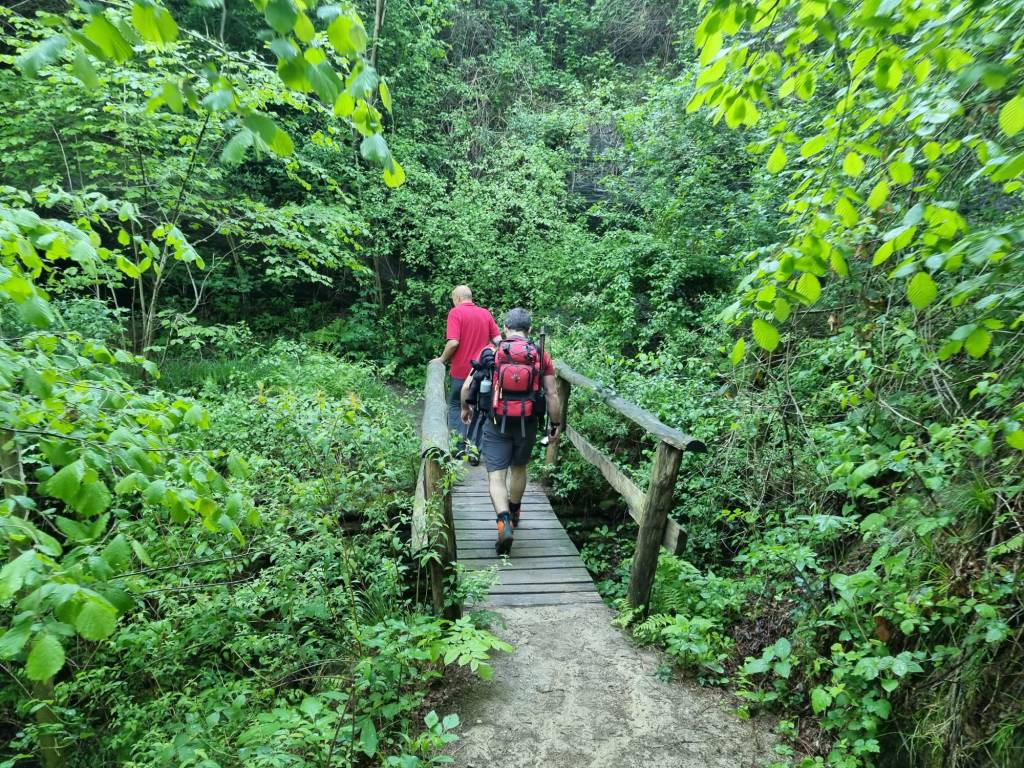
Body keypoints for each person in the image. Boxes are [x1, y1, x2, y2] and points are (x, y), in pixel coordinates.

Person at [460, 308, 561, 555]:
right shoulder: (540, 354)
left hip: (495, 422)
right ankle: (515, 510)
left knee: (496, 475)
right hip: (527, 423)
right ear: (530, 329)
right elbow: (552, 394)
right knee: (519, 468)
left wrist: (466, 408)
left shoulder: (493, 352)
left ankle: (503, 521)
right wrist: (555, 425)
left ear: (505, 328)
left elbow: (466, 387)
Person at [433, 285, 501, 457]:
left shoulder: (455, 313)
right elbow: (498, 340)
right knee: (478, 409)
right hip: (481, 374)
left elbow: (453, 342)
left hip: (461, 372)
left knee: (456, 405)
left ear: (457, 298)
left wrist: (441, 359)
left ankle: (458, 448)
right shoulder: (485, 313)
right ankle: (474, 449)